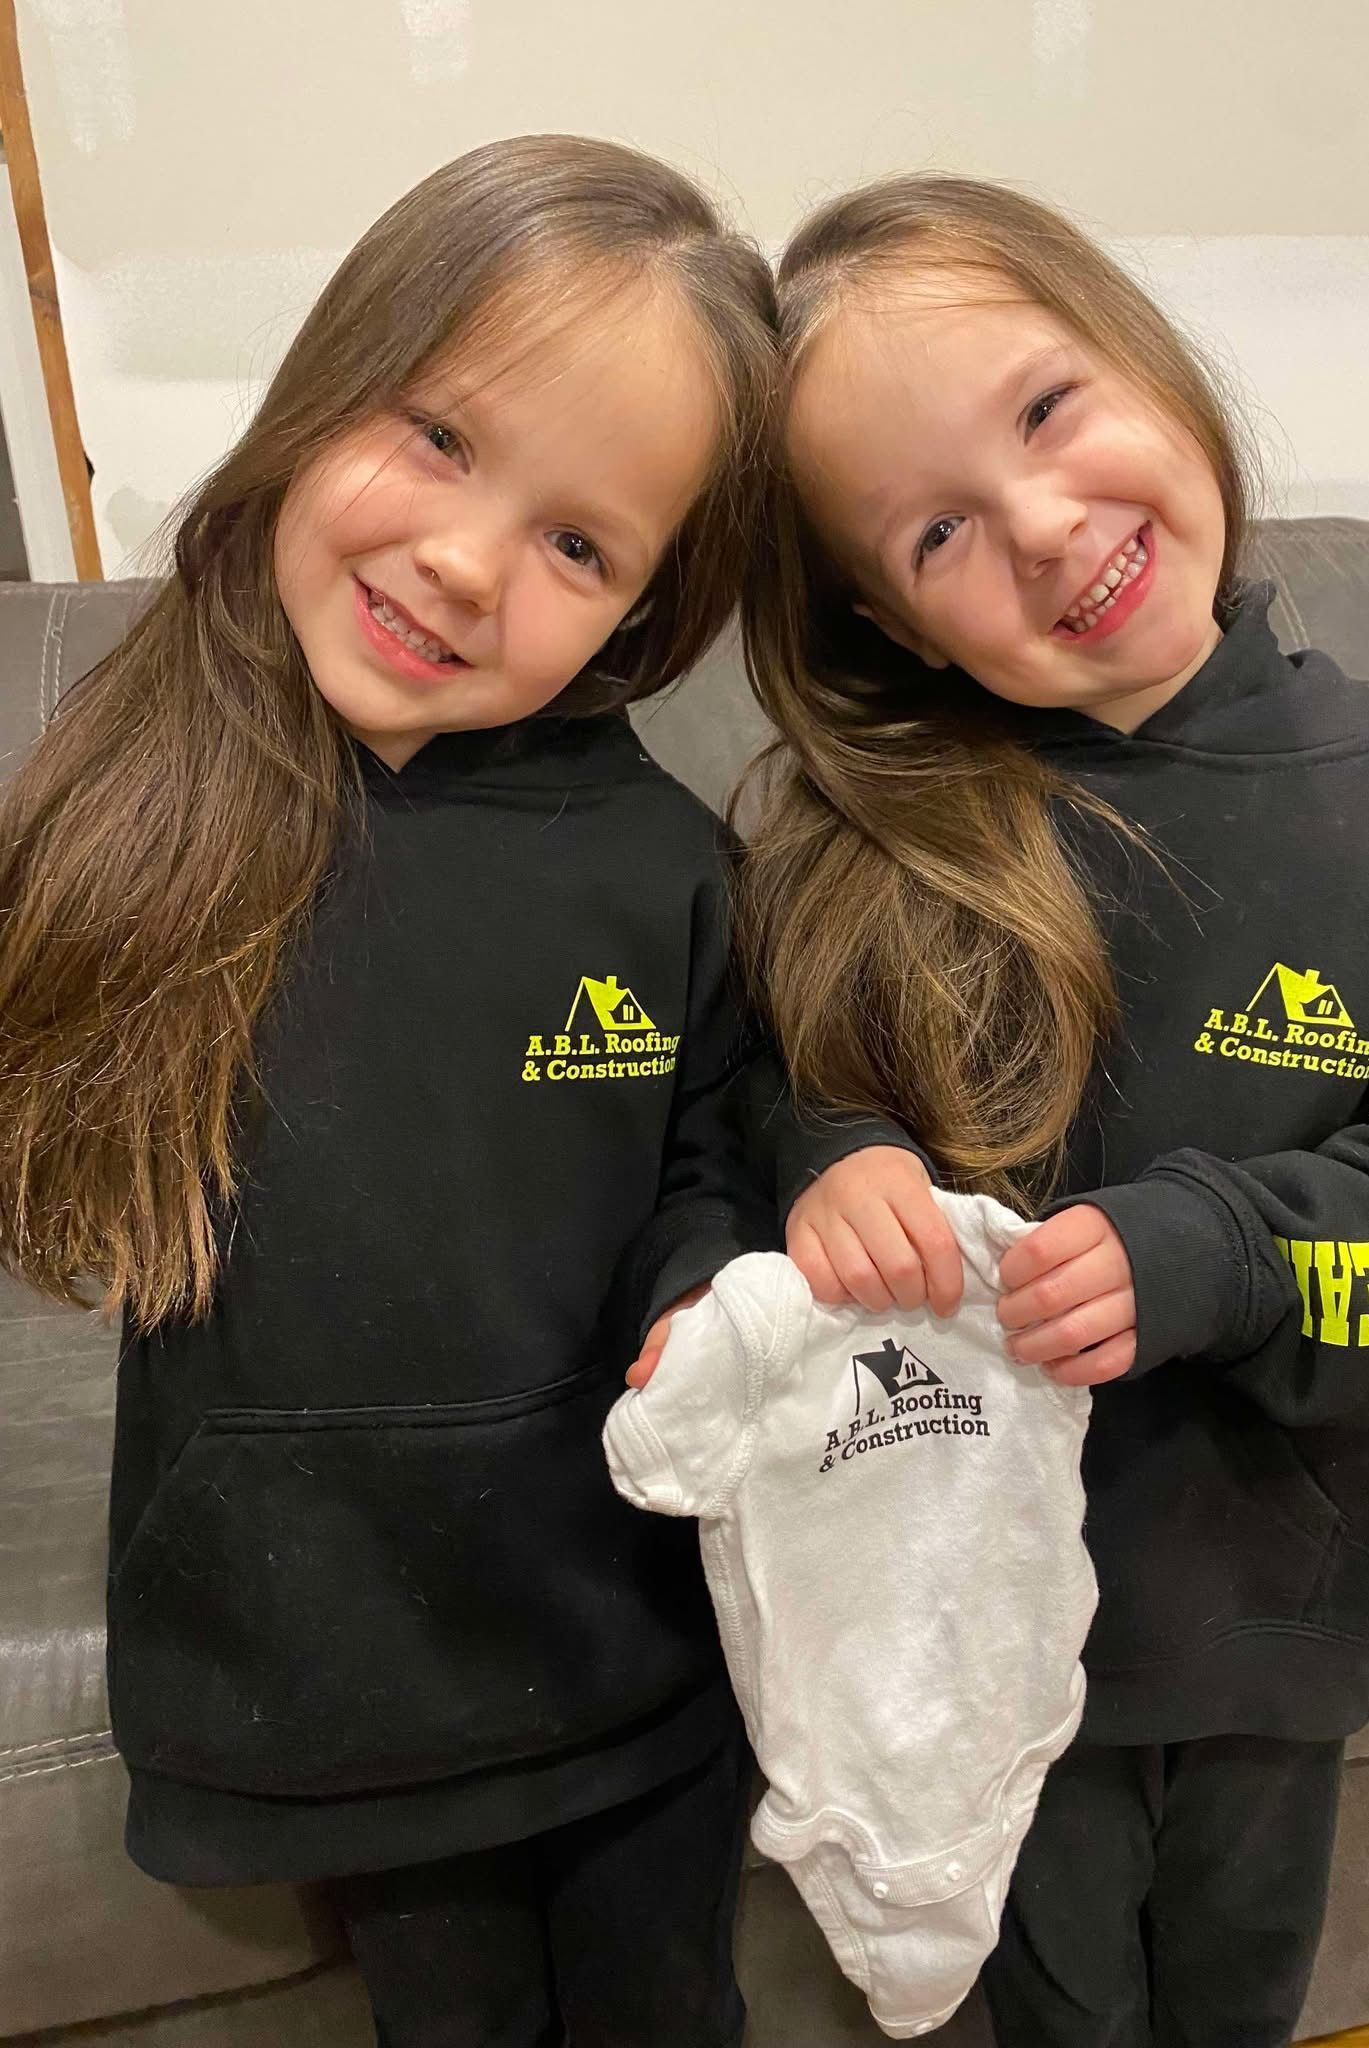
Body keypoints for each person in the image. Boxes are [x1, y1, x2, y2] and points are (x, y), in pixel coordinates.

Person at [0, 136, 925, 2048]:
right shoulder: (133, 791)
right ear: (333, 385)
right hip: (350, 1669)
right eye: (436, 436)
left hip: (638, 1632)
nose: (461, 558)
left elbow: (718, 1147)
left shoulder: (664, 863)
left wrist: (704, 1288)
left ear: (647, 610)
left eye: (582, 544)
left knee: (672, 2008)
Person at [736, 172, 1369, 2047]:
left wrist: (1229, 1256)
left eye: (1048, 408)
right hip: (970, 1639)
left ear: (1149, 365)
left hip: (1271, 1621)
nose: (1041, 523)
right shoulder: (871, 832)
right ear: (894, 622)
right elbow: (764, 1092)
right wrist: (826, 1158)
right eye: (937, 529)